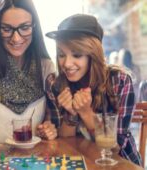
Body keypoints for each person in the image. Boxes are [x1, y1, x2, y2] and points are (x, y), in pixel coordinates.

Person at [45, 14, 142, 166]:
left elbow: (115, 148)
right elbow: (65, 142)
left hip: (120, 164)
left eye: (77, 54)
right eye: (62, 55)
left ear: (93, 54)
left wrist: (86, 113)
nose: (67, 63)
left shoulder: (119, 82)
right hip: (78, 162)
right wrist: (71, 113)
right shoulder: (55, 83)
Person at [0, 0, 57, 143]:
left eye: (25, 27)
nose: (16, 38)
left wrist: (49, 128)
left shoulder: (46, 66)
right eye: (6, 29)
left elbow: (50, 119)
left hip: (31, 159)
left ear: (34, 27)